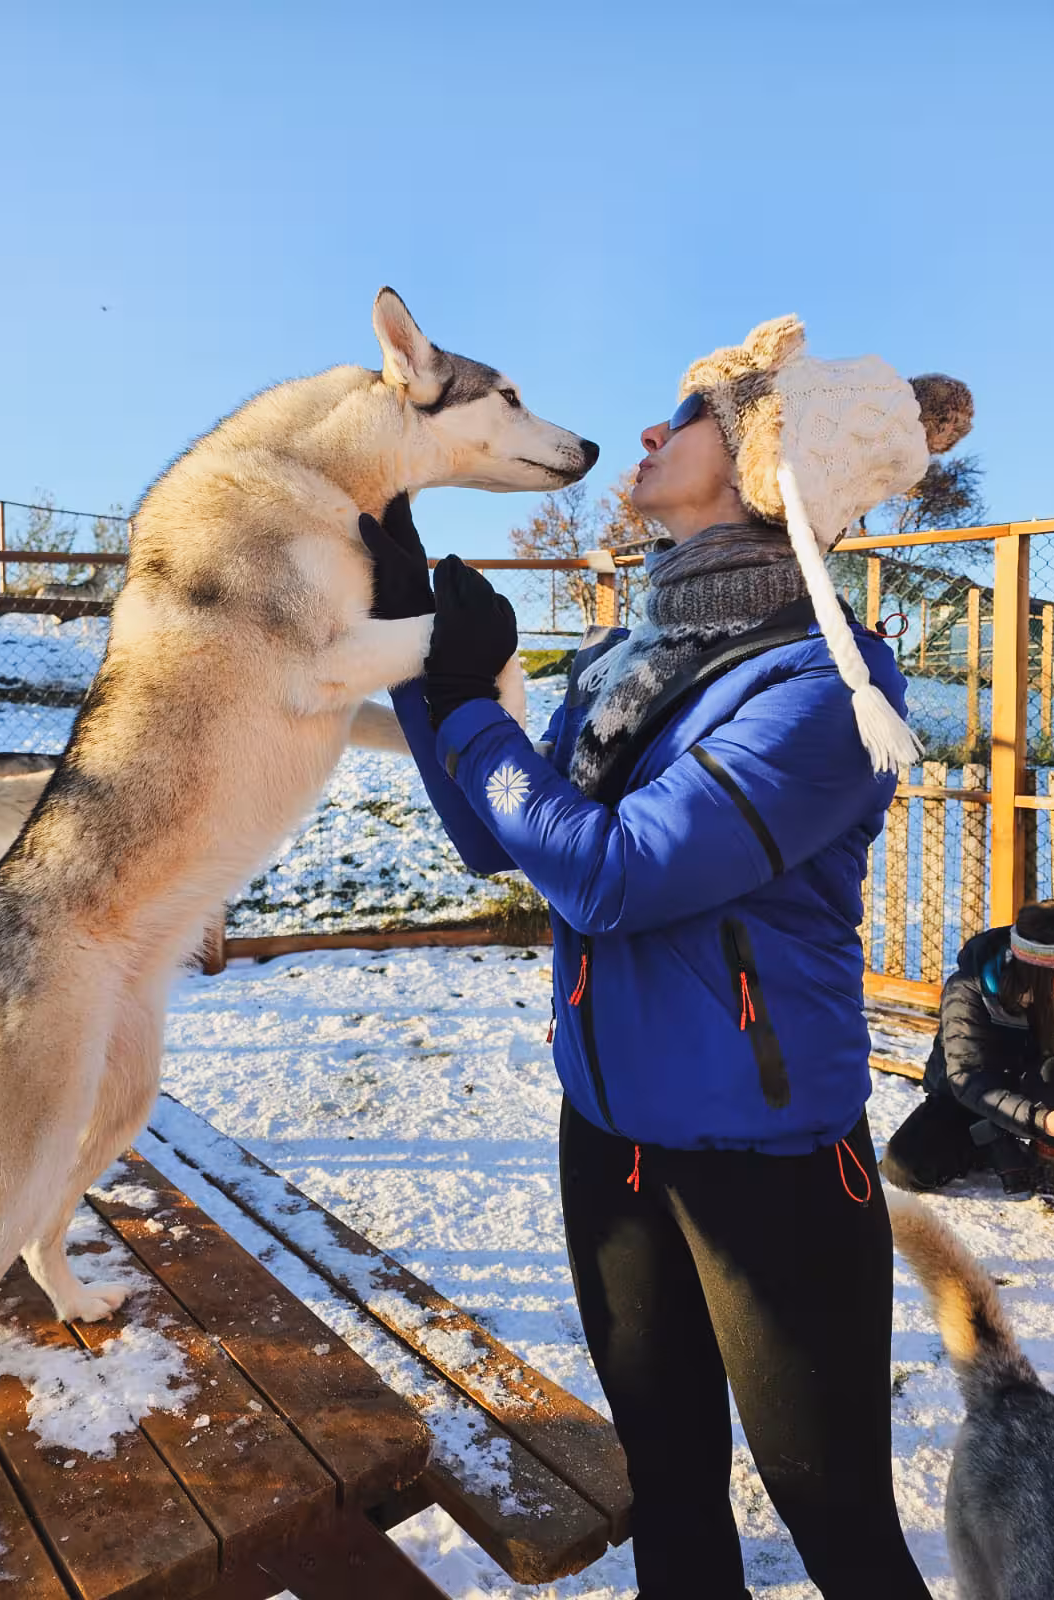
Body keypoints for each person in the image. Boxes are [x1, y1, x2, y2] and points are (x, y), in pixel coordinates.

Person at [361, 314, 974, 1599]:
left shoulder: (824, 688)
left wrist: (479, 707)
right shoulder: (631, 663)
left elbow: (619, 872)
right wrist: (423, 645)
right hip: (612, 1147)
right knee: (675, 1506)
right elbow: (497, 836)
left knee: (842, 1526)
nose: (646, 431)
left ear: (766, 464)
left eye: (685, 416)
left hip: (775, 1172)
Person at [881, 900, 1054, 1210]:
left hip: (1031, 1086)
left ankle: (1044, 1162)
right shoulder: (967, 990)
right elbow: (967, 1079)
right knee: (906, 1167)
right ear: (1035, 968)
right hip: (968, 1097)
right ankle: (991, 1140)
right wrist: (1046, 1121)